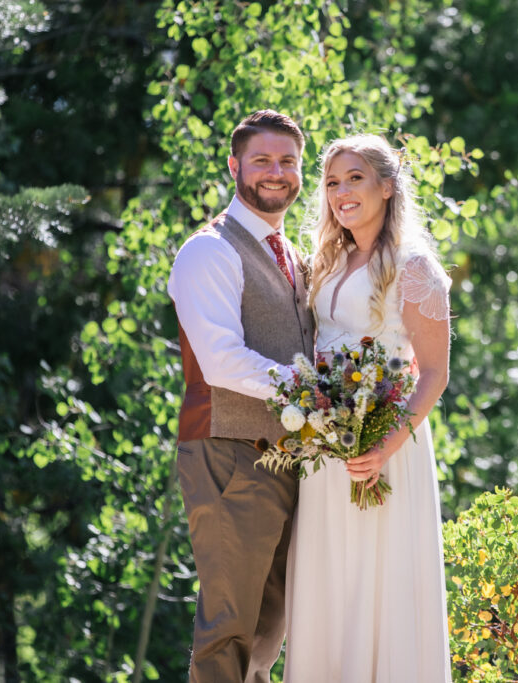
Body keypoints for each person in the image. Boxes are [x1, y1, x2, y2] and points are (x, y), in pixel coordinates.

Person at [283, 134, 453, 681]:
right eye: (332, 182)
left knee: (379, 584)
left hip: (386, 447)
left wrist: (383, 447)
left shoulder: (413, 264)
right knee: (329, 582)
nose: (340, 192)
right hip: (328, 450)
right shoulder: (328, 261)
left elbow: (434, 372)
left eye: (354, 178)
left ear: (386, 185)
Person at [167, 110, 315, 682]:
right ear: (235, 166)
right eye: (262, 160)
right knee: (229, 625)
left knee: (268, 628)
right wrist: (314, 390)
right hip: (230, 453)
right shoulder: (209, 251)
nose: (276, 172)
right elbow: (221, 359)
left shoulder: (294, 256)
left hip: (288, 458)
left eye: (287, 161)